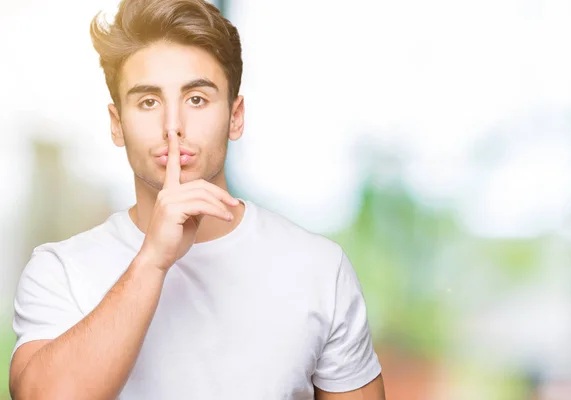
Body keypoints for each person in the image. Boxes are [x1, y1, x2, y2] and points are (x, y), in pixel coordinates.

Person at [8, 0, 385, 399]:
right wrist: (152, 261)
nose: (174, 127)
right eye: (148, 102)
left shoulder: (318, 269)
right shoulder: (61, 270)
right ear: (117, 125)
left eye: (197, 99)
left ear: (235, 116)